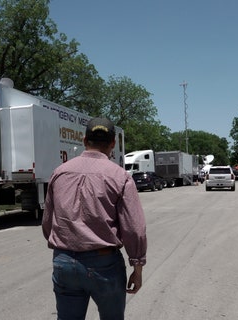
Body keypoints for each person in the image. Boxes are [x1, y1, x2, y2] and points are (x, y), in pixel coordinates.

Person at [42, 117, 147, 320]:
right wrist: (137, 266)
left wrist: (64, 248)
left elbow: (48, 222)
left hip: (64, 261)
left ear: (84, 140)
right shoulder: (120, 176)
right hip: (104, 263)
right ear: (113, 144)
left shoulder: (59, 172)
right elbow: (134, 228)